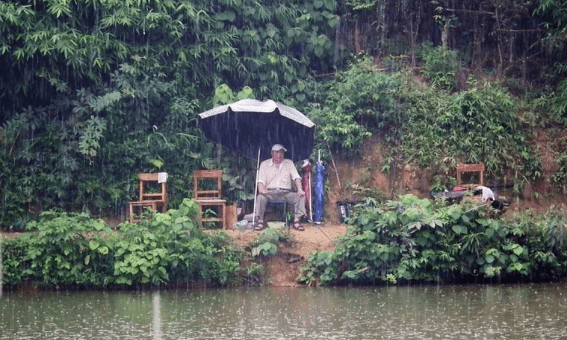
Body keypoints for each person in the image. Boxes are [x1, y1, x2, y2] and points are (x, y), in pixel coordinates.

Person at [254, 144, 306, 231]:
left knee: (300, 196)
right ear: (272, 153)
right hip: (270, 193)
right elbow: (260, 182)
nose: (279, 155)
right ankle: (260, 222)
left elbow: (296, 177)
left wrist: (300, 189)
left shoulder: (289, 163)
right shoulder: (264, 164)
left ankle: (296, 222)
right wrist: (262, 190)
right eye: (277, 152)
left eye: (281, 152)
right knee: (260, 197)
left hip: (286, 193)